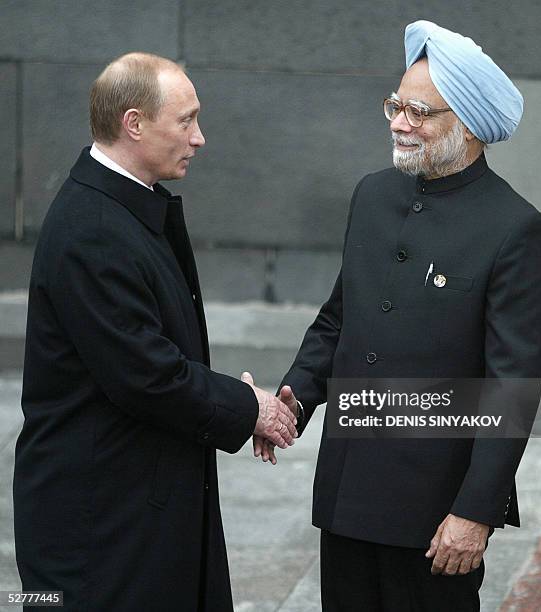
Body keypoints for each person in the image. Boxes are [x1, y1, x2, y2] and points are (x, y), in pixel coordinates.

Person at [256, 21, 541, 611]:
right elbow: (339, 319)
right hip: (348, 490)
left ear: (467, 125)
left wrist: (475, 511)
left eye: (420, 112)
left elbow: (511, 389)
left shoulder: (515, 229)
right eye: (396, 105)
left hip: (435, 513)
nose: (398, 122)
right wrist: (294, 396)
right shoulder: (372, 194)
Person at [13, 52, 297, 611]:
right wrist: (249, 406)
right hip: (101, 526)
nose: (200, 138)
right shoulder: (94, 230)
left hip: (136, 503)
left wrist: (233, 398)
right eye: (186, 120)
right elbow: (145, 374)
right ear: (135, 124)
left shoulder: (123, 209)